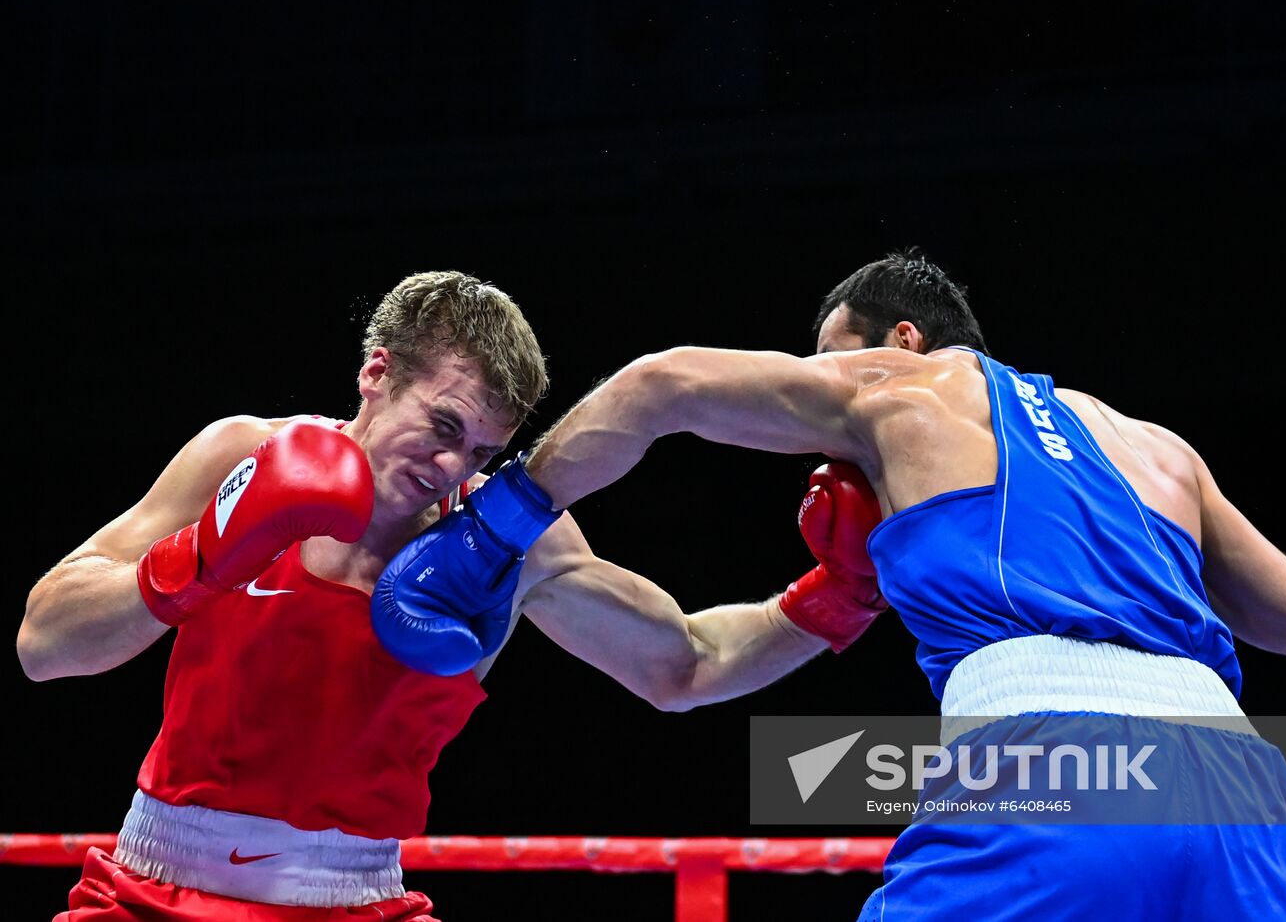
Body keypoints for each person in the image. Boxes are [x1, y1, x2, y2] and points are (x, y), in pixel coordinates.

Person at [426, 252, 1286, 920]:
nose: (816, 385)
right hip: (1244, 794)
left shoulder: (895, 388)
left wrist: (498, 523)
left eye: (827, 356)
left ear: (899, 338)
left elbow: (657, 383)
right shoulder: (1159, 451)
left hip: (1056, 769)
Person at [18, 270, 886, 921]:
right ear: (376, 373)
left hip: (356, 898)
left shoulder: (502, 545)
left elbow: (690, 663)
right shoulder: (240, 454)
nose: (449, 469)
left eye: (478, 451)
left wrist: (841, 593)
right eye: (441, 426)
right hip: (150, 888)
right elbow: (44, 644)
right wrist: (204, 554)